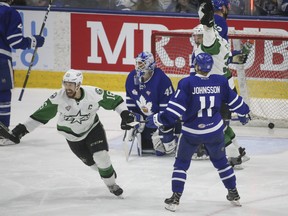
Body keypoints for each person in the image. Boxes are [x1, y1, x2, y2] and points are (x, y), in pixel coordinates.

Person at [0, 69, 136, 197]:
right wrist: (19, 131)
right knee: (94, 165)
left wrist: (125, 115)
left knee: (102, 157)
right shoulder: (57, 98)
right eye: (65, 83)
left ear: (78, 85)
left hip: (93, 129)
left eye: (71, 84)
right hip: (72, 137)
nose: (68, 87)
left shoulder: (93, 93)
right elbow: (39, 117)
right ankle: (107, 172)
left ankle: (112, 185)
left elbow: (116, 101)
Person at [146, 52, 251, 212]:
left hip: (192, 132)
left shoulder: (187, 83)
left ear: (195, 65)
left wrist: (155, 119)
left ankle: (175, 198)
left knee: (181, 164)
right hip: (215, 130)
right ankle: (234, 193)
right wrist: (244, 113)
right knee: (221, 163)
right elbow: (235, 101)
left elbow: (173, 113)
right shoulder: (221, 81)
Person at [193, 0, 250, 169]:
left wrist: (208, 27)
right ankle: (239, 151)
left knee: (211, 120)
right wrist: (235, 56)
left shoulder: (216, 26)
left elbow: (211, 46)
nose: (197, 39)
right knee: (220, 121)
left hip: (214, 83)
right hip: (224, 80)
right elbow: (219, 50)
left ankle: (232, 155)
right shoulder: (222, 36)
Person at [0, 0, 45, 144]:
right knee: (3, 94)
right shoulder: (9, 13)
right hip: (1, 58)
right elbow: (15, 41)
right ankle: (1, 133)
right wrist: (35, 41)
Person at [125, 51, 178, 156]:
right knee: (145, 144)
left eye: (141, 63)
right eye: (137, 63)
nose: (138, 66)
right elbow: (130, 102)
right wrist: (135, 116)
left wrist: (159, 119)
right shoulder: (131, 78)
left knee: (164, 150)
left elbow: (168, 108)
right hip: (146, 121)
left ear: (150, 64)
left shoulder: (161, 79)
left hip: (162, 119)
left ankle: (174, 137)